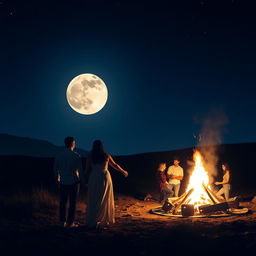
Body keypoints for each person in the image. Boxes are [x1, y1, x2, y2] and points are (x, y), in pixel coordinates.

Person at [85, 140, 128, 229]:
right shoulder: (105, 155)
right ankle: (102, 220)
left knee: (94, 198)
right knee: (103, 198)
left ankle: (94, 220)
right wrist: (123, 171)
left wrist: (84, 179)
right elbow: (115, 165)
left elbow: (87, 170)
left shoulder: (90, 156)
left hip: (94, 178)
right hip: (104, 177)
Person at [53, 136, 83, 228]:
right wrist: (82, 180)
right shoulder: (76, 156)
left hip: (63, 182)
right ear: (73, 144)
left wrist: (57, 180)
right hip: (74, 182)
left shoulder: (59, 155)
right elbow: (80, 171)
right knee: (72, 203)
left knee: (63, 202)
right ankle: (70, 223)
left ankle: (62, 222)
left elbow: (55, 170)